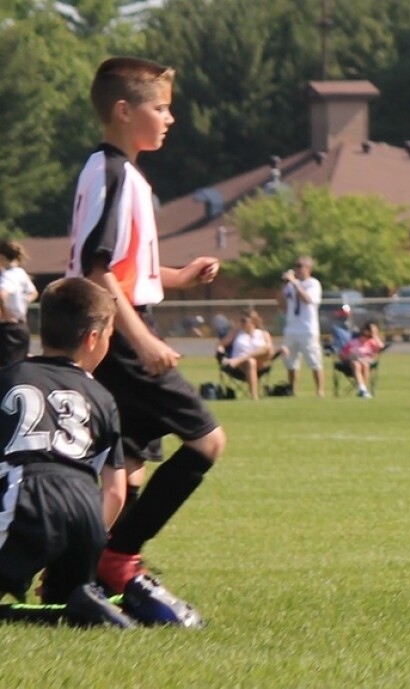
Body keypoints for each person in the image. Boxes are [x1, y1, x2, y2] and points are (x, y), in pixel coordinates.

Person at [68, 56, 226, 596]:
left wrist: (177, 276)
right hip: (119, 334)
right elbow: (97, 270)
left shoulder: (118, 172)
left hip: (117, 326)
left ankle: (78, 569)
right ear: (123, 111)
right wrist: (143, 340)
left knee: (127, 465)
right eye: (160, 108)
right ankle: (119, 559)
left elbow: (124, 268)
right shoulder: (112, 174)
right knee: (207, 443)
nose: (169, 118)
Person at [0, 278, 131, 625]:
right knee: (66, 606)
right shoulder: (102, 396)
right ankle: (79, 603)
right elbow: (116, 492)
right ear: (92, 338)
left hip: (27, 497)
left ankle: (22, 617)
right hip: (86, 513)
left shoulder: (10, 376)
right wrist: (81, 544)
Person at [279, 256, 325, 397]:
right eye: (296, 266)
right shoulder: (291, 285)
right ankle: (292, 390)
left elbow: (307, 299)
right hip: (291, 328)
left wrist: (294, 283)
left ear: (308, 268)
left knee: (314, 361)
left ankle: (320, 390)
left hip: (307, 329)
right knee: (291, 362)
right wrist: (284, 285)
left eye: (300, 266)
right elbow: (281, 303)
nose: (297, 269)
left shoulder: (313, 284)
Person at [217, 310, 276, 400]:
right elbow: (221, 345)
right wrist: (220, 352)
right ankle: (254, 396)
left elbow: (270, 351)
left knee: (266, 349)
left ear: (253, 321)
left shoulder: (264, 334)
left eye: (244, 320)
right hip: (241, 367)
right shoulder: (236, 332)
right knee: (250, 362)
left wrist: (238, 360)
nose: (241, 323)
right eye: (240, 320)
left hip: (259, 364)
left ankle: (238, 360)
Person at [0, 239, 38, 367]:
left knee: (7, 369)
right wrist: (23, 303)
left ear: (2, 257)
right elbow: (33, 293)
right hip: (22, 326)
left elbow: (2, 295)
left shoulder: (7, 276)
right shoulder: (21, 273)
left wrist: (5, 314)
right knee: (20, 366)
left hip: (8, 328)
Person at [339, 321, 384, 398]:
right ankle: (362, 389)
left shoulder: (372, 343)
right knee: (356, 364)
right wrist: (349, 356)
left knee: (365, 365)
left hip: (366, 361)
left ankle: (362, 389)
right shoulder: (354, 342)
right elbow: (342, 354)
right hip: (352, 361)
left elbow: (381, 347)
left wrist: (375, 336)